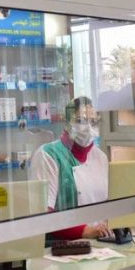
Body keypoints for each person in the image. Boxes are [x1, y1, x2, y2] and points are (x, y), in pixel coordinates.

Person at [29, 96, 111, 240]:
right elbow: (43, 216)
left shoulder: (101, 157)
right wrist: (84, 231)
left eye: (93, 122)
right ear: (67, 124)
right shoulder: (48, 155)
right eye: (80, 121)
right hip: (61, 246)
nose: (88, 128)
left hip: (101, 242)